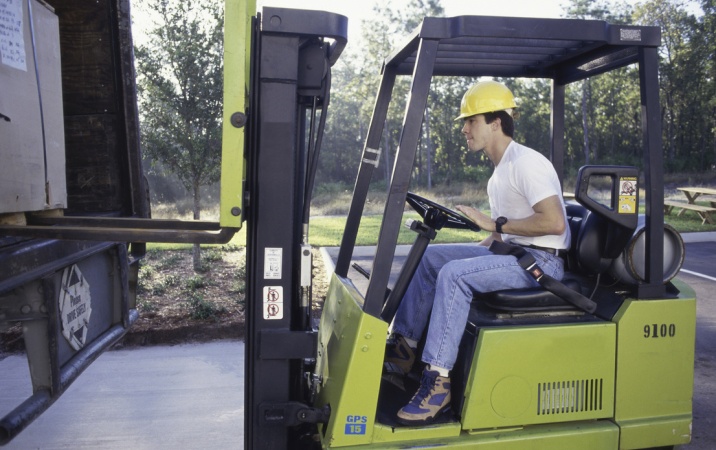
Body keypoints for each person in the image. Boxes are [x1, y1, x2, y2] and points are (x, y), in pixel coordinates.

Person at [386, 80, 571, 425]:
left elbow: (554, 223)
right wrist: (480, 242)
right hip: (513, 254)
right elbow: (500, 233)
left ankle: (437, 384)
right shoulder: (499, 172)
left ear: (496, 122)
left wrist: (493, 223)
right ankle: (402, 352)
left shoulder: (526, 163)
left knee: (454, 276)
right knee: (431, 259)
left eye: (471, 121)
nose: (464, 129)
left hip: (540, 264)